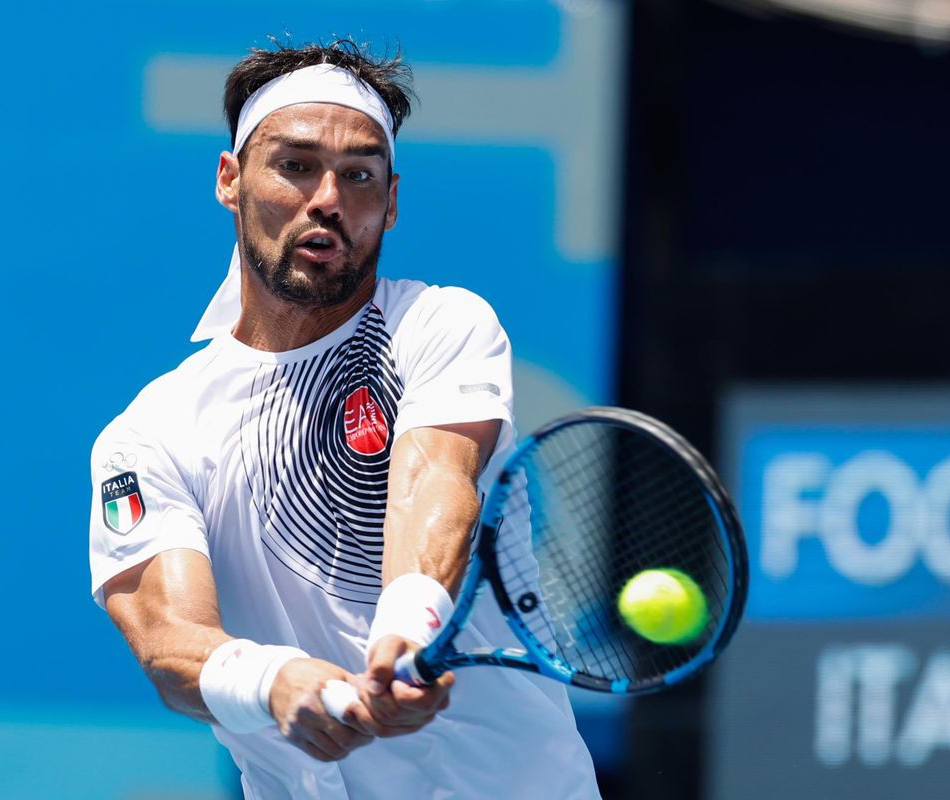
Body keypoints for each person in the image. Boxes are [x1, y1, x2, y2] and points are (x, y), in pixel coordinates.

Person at [89, 39, 600, 799]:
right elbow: (168, 643)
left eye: (357, 175)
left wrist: (407, 630)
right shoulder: (151, 433)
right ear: (231, 180)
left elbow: (436, 481)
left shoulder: (441, 324)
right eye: (294, 165)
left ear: (390, 202)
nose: (326, 196)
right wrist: (274, 679)